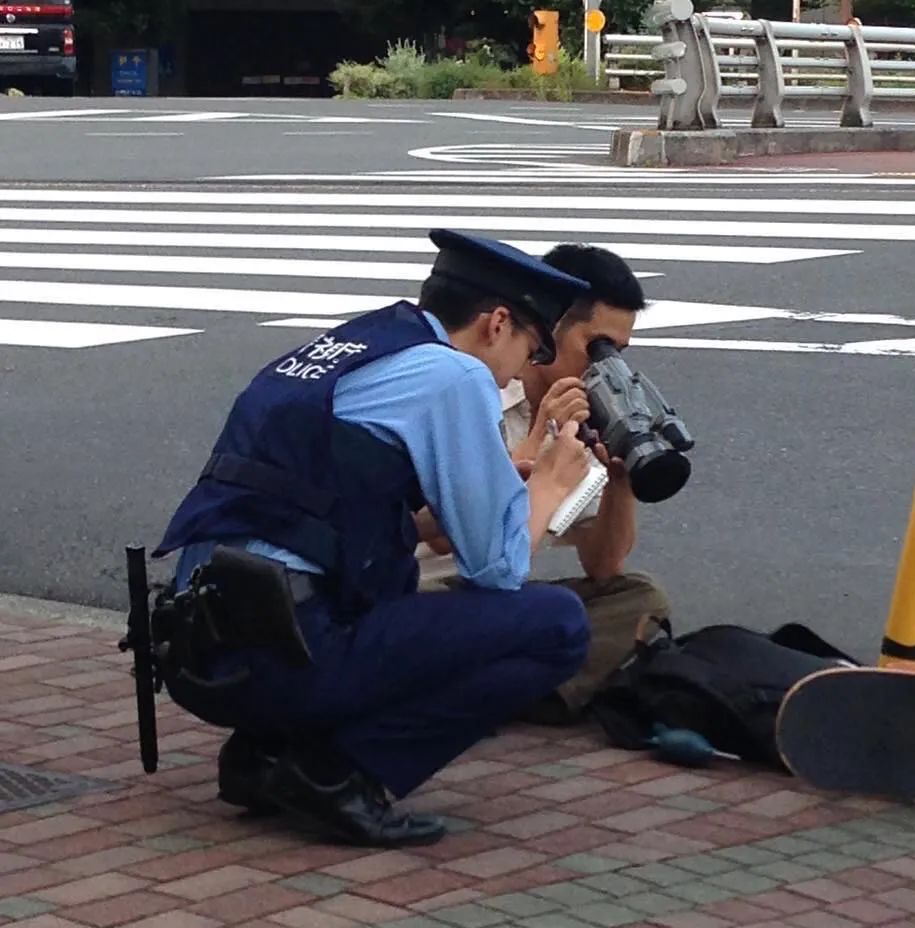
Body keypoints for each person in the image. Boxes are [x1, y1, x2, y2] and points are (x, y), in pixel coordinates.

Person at [150, 229, 595, 848]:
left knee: (396, 580)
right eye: (529, 349)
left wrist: (425, 521)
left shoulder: (350, 347)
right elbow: (499, 570)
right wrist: (550, 483)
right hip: (288, 656)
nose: (520, 372)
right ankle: (336, 771)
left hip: (202, 653)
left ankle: (266, 755)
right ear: (497, 323)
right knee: (558, 625)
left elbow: (308, 505)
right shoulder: (454, 374)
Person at [417, 244, 670, 723]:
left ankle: (514, 687)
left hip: (499, 599)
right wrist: (535, 450)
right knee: (544, 617)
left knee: (639, 598)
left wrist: (620, 477)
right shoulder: (476, 383)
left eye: (619, 353)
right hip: (429, 589)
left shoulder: (584, 415)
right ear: (550, 325)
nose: (606, 365)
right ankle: (505, 684)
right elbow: (452, 537)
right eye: (598, 348)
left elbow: (604, 563)